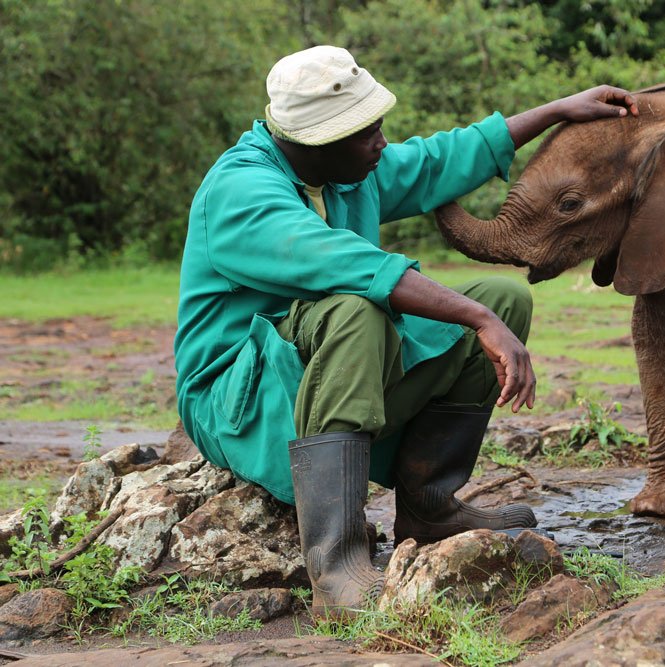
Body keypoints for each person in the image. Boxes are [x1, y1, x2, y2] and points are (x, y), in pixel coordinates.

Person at [174, 45, 638, 617]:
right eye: (365, 133)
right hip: (239, 404)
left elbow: (435, 161)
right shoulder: (241, 192)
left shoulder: (343, 174)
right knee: (358, 309)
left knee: (503, 295)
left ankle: (428, 505)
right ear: (315, 141)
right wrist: (476, 319)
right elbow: (347, 264)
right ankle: (336, 562)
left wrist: (555, 111)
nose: (381, 144)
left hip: (320, 381)